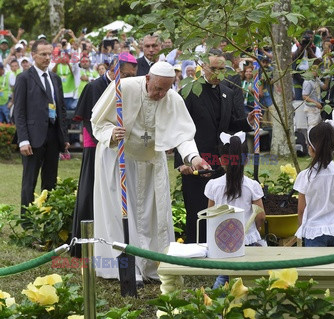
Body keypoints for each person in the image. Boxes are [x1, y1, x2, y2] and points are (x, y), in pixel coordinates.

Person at [91, 61, 209, 283]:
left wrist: (193, 158)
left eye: (166, 88)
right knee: (120, 214)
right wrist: (111, 133)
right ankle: (124, 267)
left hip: (152, 161)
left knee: (154, 216)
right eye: (157, 88)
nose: (160, 94)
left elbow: (183, 135)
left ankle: (152, 264)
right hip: (119, 159)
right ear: (147, 79)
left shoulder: (172, 98)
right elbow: (98, 122)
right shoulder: (123, 87)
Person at [176, 49, 256, 244]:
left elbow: (229, 124)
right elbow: (178, 129)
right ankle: (195, 250)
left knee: (219, 209)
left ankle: (219, 247)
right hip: (195, 162)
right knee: (197, 209)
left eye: (222, 70)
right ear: (203, 66)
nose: (218, 74)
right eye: (214, 69)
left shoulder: (227, 92)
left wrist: (247, 121)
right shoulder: (188, 93)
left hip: (221, 164)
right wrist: (182, 163)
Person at [70, 53, 138, 258]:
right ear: (113, 69)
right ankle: (83, 245)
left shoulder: (130, 87)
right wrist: (107, 139)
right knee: (90, 192)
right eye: (125, 75)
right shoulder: (94, 87)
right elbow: (90, 121)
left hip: (123, 148)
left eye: (132, 75)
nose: (128, 80)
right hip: (98, 147)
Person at [13, 39, 69, 220]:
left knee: (50, 181)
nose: (47, 58)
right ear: (33, 55)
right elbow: (19, 112)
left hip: (53, 135)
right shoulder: (24, 78)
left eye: (49, 54)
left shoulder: (55, 78)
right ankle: (27, 222)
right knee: (29, 182)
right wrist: (23, 139)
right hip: (32, 138)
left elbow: (61, 109)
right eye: (43, 54)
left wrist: (64, 136)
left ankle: (49, 221)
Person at [205, 131, 266, 288]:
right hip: (248, 240)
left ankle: (216, 308)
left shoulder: (213, 185)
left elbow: (210, 214)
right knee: (250, 278)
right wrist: (255, 230)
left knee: (225, 275)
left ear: (221, 160)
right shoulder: (252, 186)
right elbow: (260, 216)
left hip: (223, 242)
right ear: (246, 160)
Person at [294, 121, 334, 247]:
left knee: (316, 266)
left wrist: (303, 228)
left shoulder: (306, 176)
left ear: (311, 148)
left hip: (314, 231)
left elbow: (301, 210)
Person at [302, 60, 329, 129]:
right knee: (312, 126)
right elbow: (304, 96)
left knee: (317, 126)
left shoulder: (316, 79)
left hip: (317, 108)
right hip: (311, 108)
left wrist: (327, 76)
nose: (317, 71)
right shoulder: (307, 81)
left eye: (317, 69)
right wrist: (316, 103)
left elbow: (325, 87)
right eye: (314, 69)